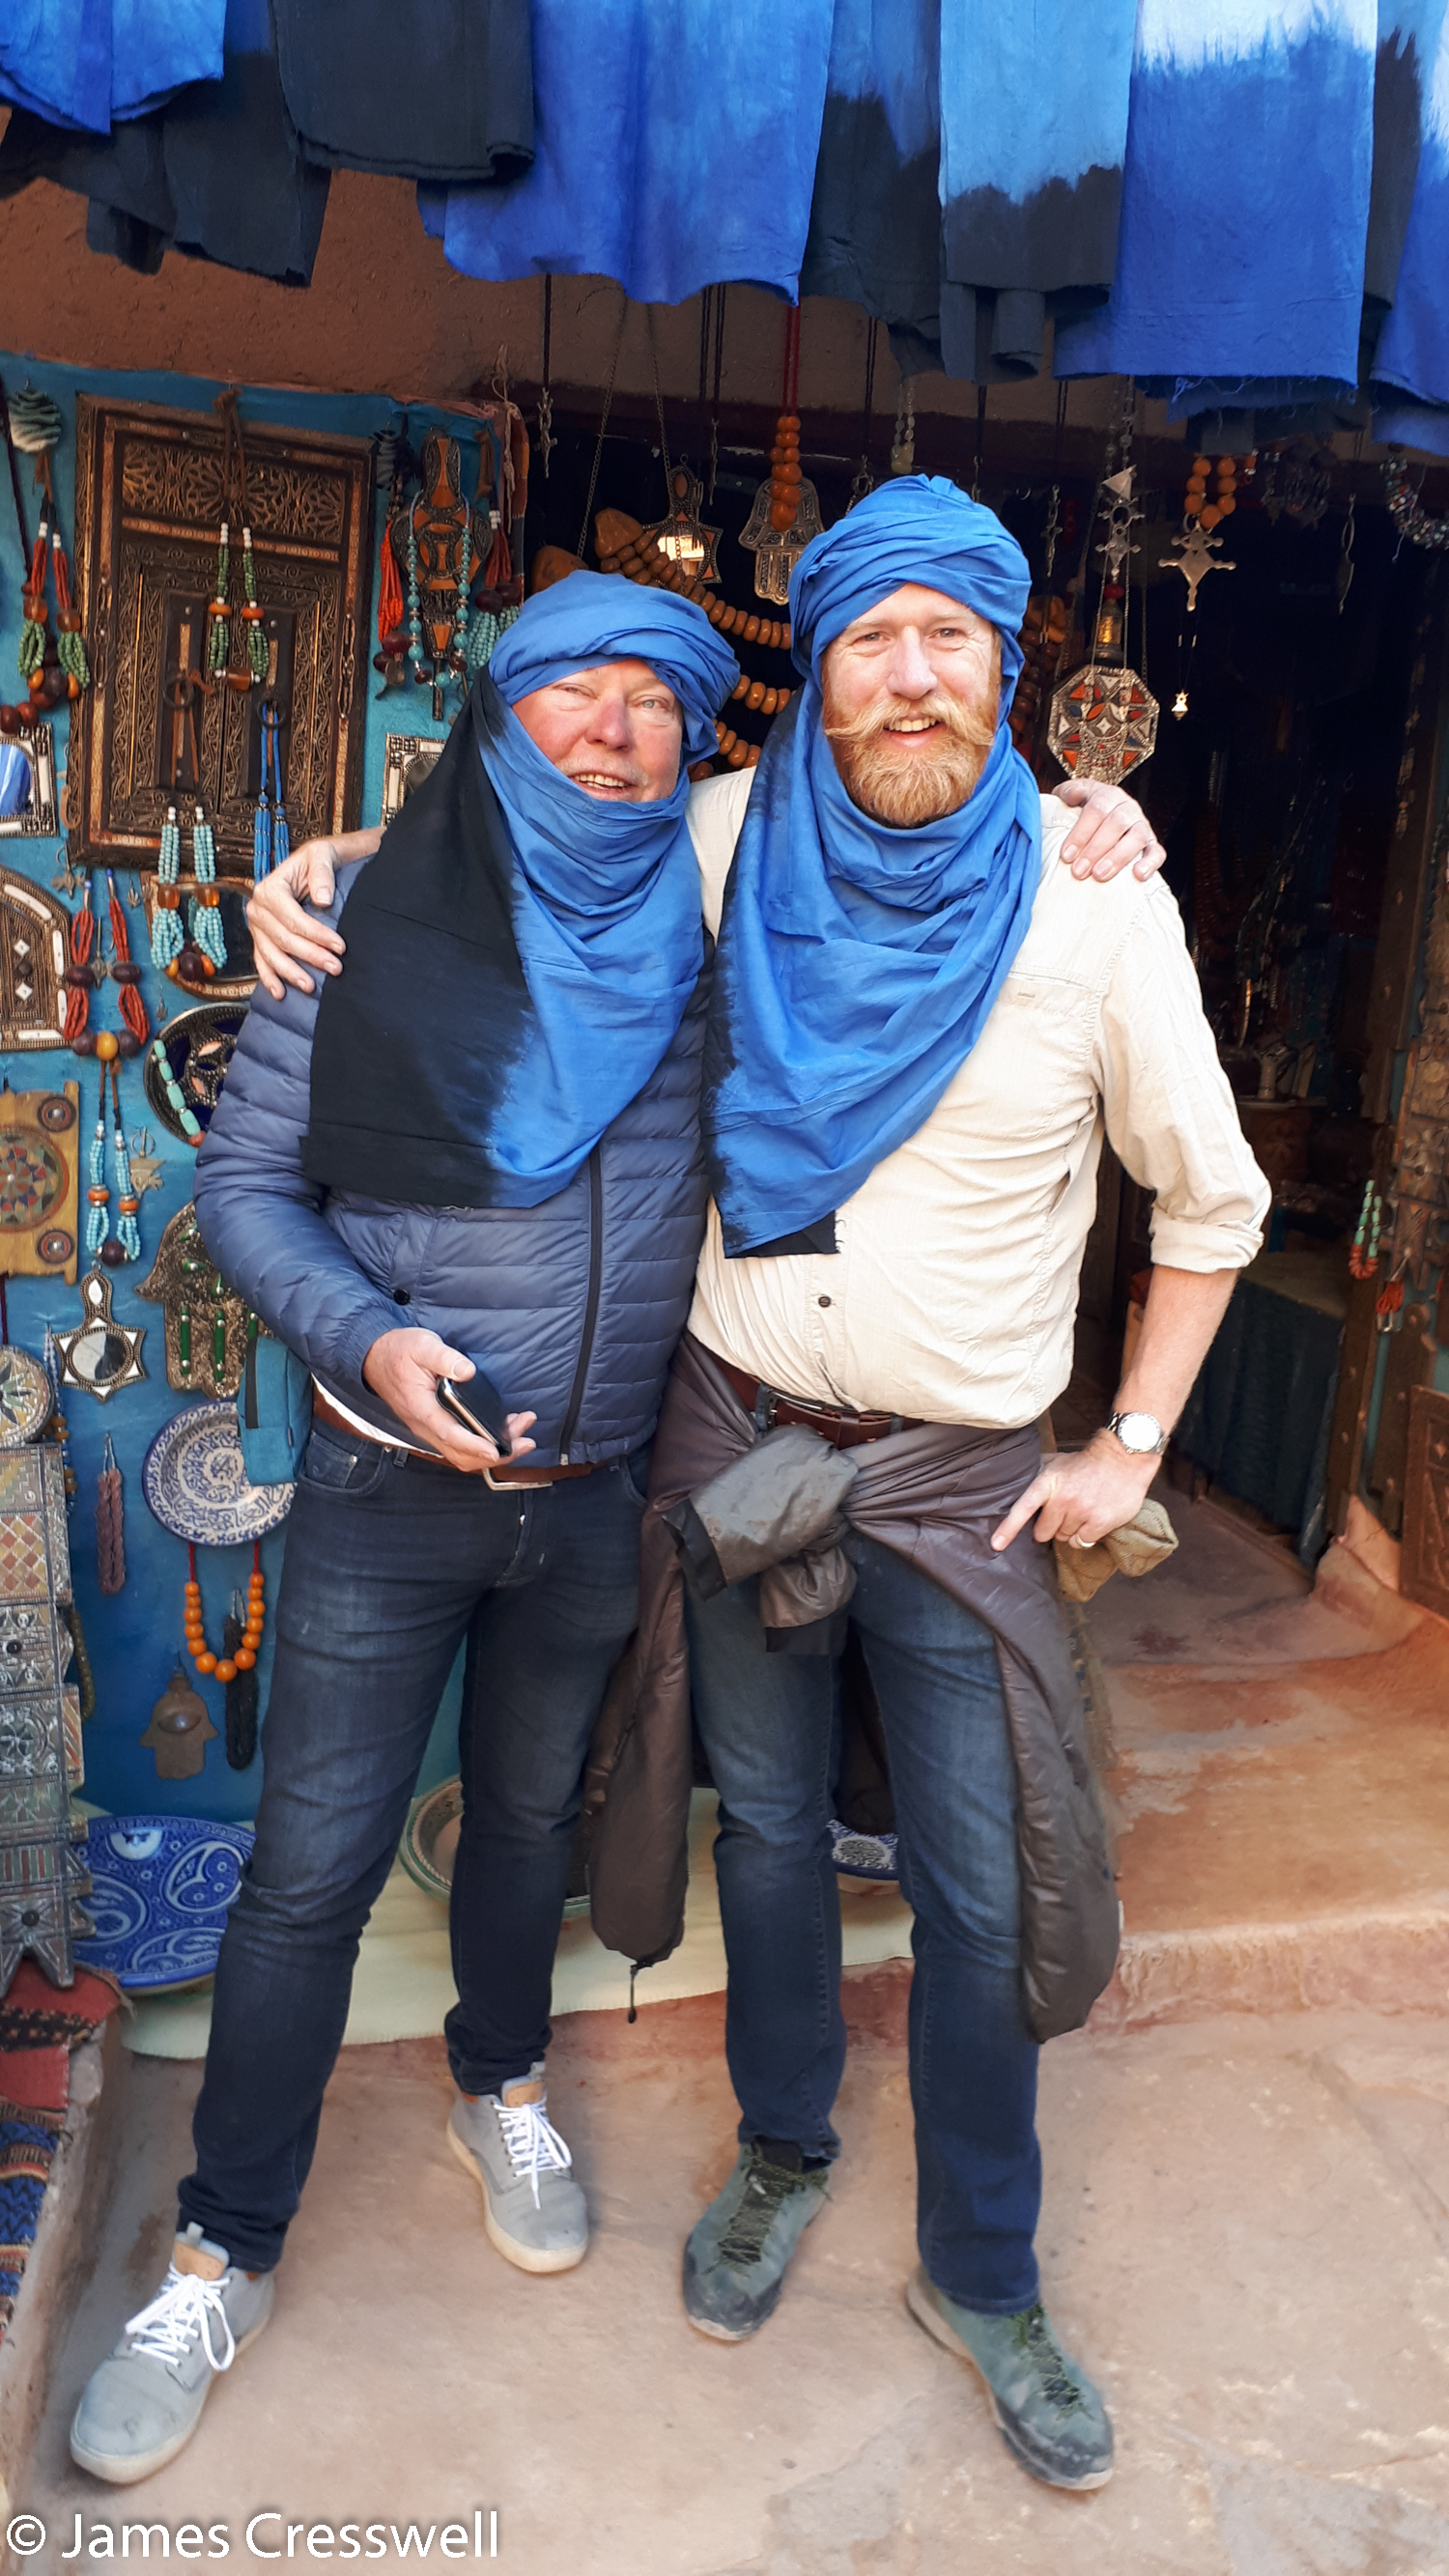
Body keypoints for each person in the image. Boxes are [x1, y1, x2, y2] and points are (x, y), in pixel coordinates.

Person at [134, 521, 1172, 2501]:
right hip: (384, 1479)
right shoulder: (359, 924)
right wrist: (369, 1345)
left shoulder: (717, 917)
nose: (613, 732)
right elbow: (244, 1193)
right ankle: (219, 2244)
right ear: (499, 714)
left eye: (658, 703)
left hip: (611, 1490)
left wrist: (1093, 819)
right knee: (311, 1871)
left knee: (528, 1815)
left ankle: (500, 2085)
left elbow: (899, 814)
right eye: (572, 689)